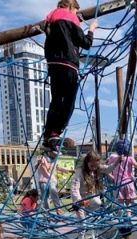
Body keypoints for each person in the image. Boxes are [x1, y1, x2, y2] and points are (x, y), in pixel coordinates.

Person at [42, 0, 98, 151]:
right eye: (76, 11)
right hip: (68, 63)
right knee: (68, 102)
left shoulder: (50, 18)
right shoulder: (70, 17)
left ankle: (48, 135)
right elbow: (86, 43)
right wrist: (91, 29)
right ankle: (55, 132)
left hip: (53, 64)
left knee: (56, 100)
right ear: (71, 7)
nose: (76, 14)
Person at [70, 151, 116, 239]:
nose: (94, 168)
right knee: (82, 222)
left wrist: (118, 161)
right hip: (80, 200)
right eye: (92, 166)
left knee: (98, 202)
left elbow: (108, 169)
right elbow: (74, 188)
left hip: (90, 197)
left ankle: (89, 219)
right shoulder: (79, 172)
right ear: (87, 162)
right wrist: (79, 201)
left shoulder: (96, 167)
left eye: (95, 166)